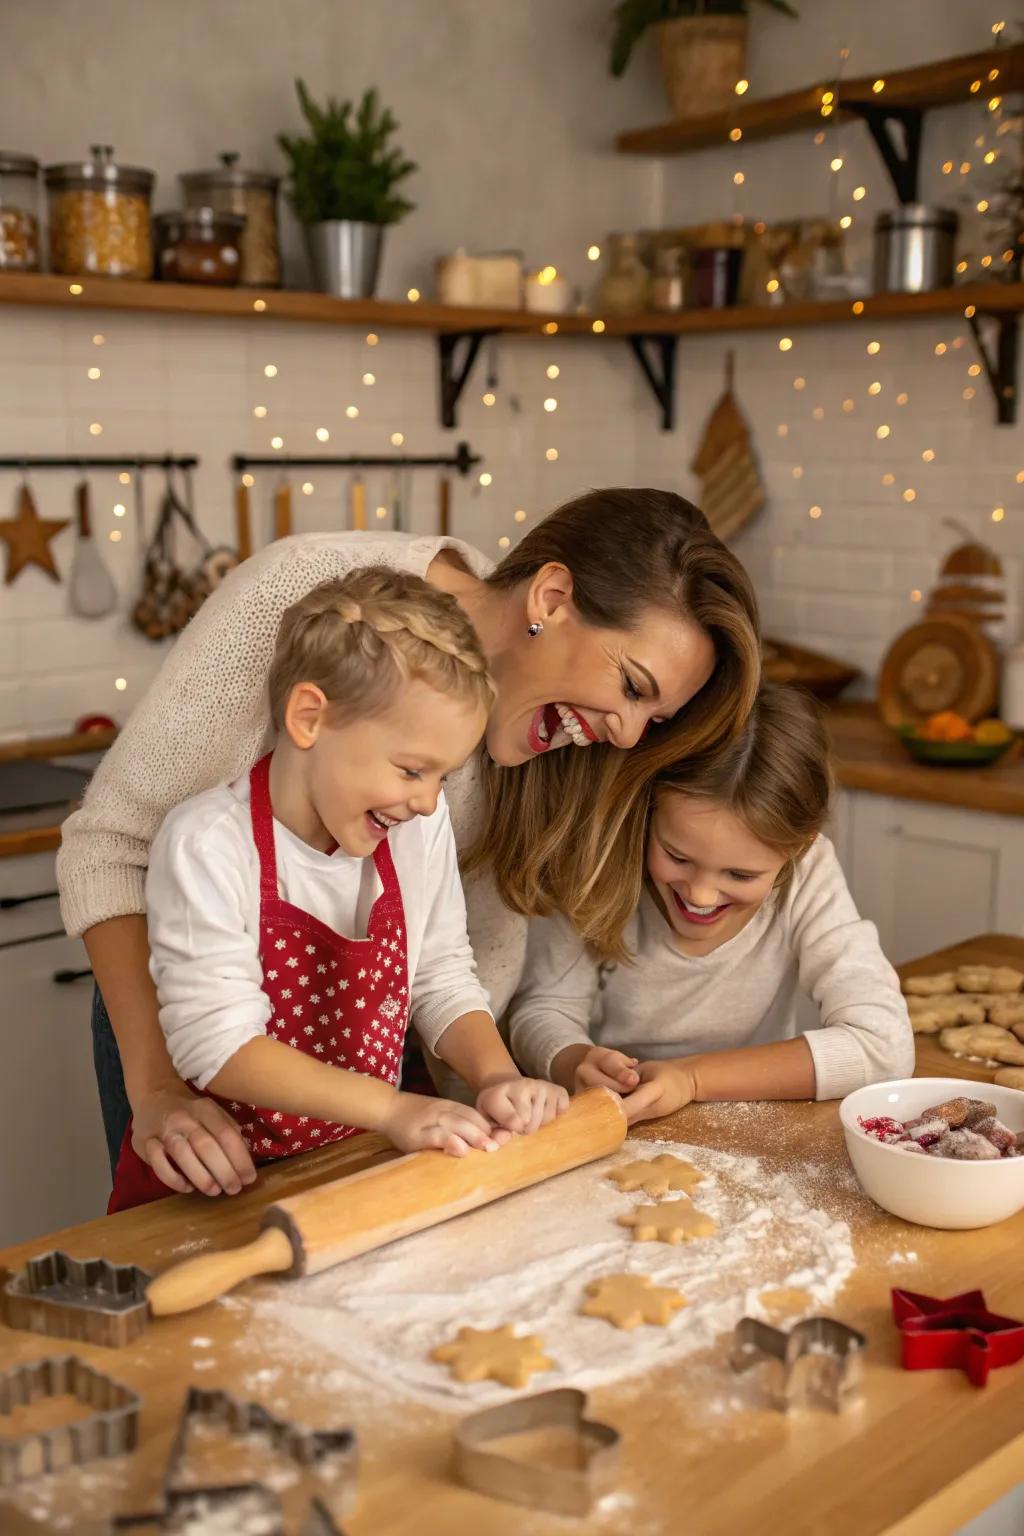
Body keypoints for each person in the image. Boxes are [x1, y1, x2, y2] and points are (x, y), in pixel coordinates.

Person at [58, 489, 760, 1199]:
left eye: (656, 716)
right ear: (550, 598)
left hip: (364, 1117)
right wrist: (155, 1088)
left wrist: (494, 1086)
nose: (628, 735)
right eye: (633, 686)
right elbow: (111, 849)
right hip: (182, 1054)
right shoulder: (313, 608)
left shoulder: (464, 789)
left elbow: (448, 964)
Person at [108, 568, 565, 1210]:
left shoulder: (411, 831)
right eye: (412, 770)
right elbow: (220, 1045)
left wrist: (496, 1075)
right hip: (214, 1183)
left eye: (442, 776)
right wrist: (394, 1108)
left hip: (350, 1167)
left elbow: (439, 973)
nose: (429, 803)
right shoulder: (209, 843)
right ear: (309, 717)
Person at [508, 685, 914, 1117]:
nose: (700, 894)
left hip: (754, 1125)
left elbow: (883, 1046)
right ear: (649, 810)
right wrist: (574, 1062)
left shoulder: (808, 873)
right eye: (677, 856)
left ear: (798, 847)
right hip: (617, 1121)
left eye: (740, 875)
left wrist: (693, 1079)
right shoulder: (599, 860)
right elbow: (542, 1009)